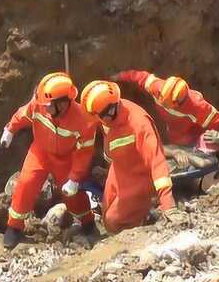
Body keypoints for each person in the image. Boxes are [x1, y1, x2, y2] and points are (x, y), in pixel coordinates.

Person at [0, 72, 97, 248]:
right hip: (40, 152)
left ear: (63, 102)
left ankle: (88, 223)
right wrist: (10, 130)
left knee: (73, 195)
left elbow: (84, 153)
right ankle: (13, 228)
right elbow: (23, 114)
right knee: (26, 184)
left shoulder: (84, 120)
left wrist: (75, 178)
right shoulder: (39, 105)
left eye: (50, 105)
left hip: (66, 158)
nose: (46, 108)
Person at [79, 80, 187, 233]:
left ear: (111, 110)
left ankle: (141, 225)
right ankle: (140, 215)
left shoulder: (139, 123)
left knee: (114, 221)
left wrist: (168, 206)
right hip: (118, 170)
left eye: (102, 116)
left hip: (139, 178)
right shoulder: (105, 116)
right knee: (106, 217)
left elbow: (157, 162)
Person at [110, 70, 219, 147]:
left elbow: (214, 119)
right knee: (175, 142)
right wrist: (119, 76)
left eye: (168, 104)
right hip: (173, 130)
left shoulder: (196, 105)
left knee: (189, 145)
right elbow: (139, 76)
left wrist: (206, 138)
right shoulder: (157, 87)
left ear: (180, 102)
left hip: (189, 131)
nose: (165, 105)